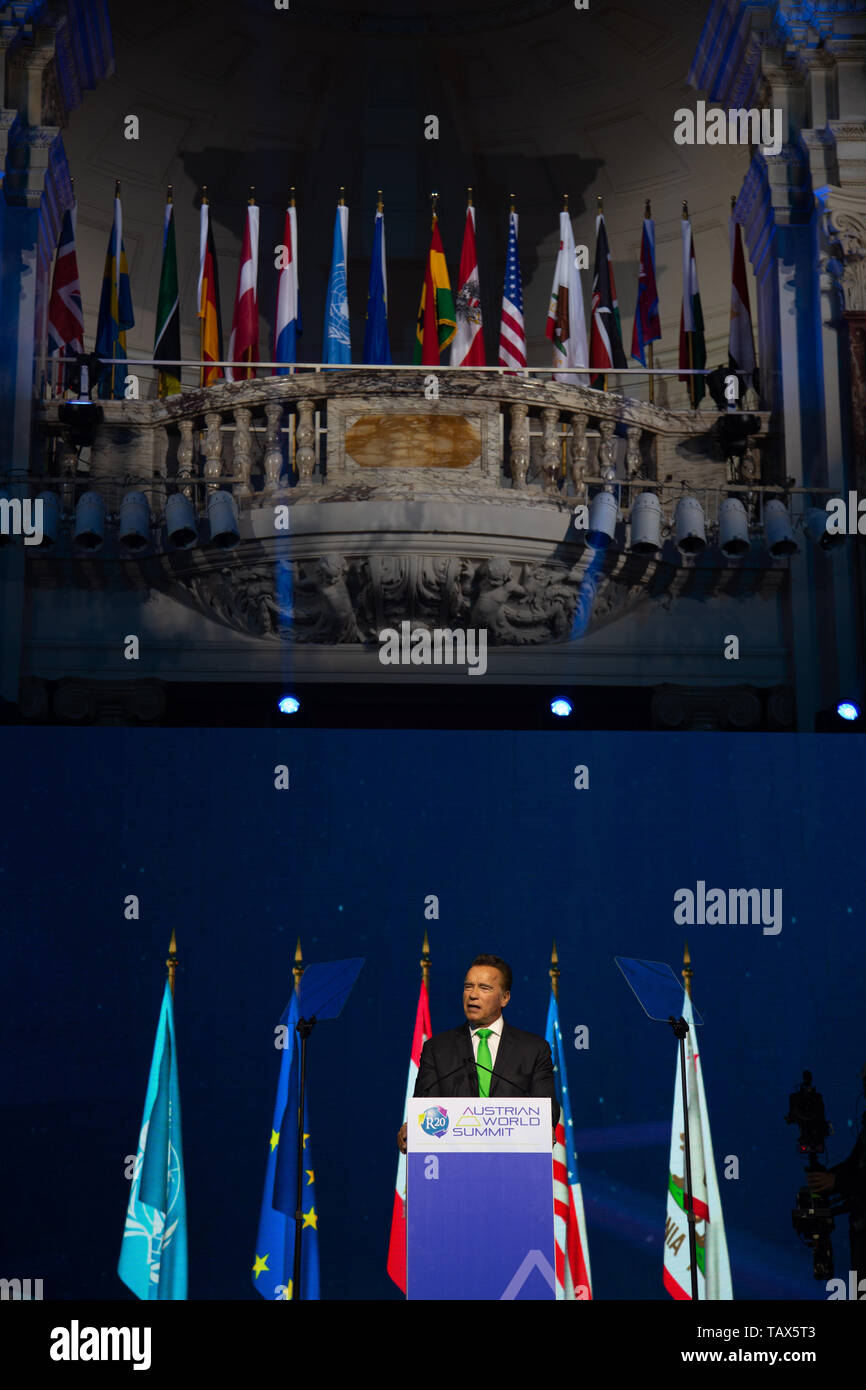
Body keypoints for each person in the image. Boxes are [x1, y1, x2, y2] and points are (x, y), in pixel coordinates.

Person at [397, 954, 559, 1153]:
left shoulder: (533, 1049)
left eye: (484, 988)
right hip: (453, 1166)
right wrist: (413, 1127)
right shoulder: (437, 1049)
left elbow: (548, 1110)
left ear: (505, 998)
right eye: (468, 986)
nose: (473, 995)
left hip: (514, 1167)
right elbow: (425, 1108)